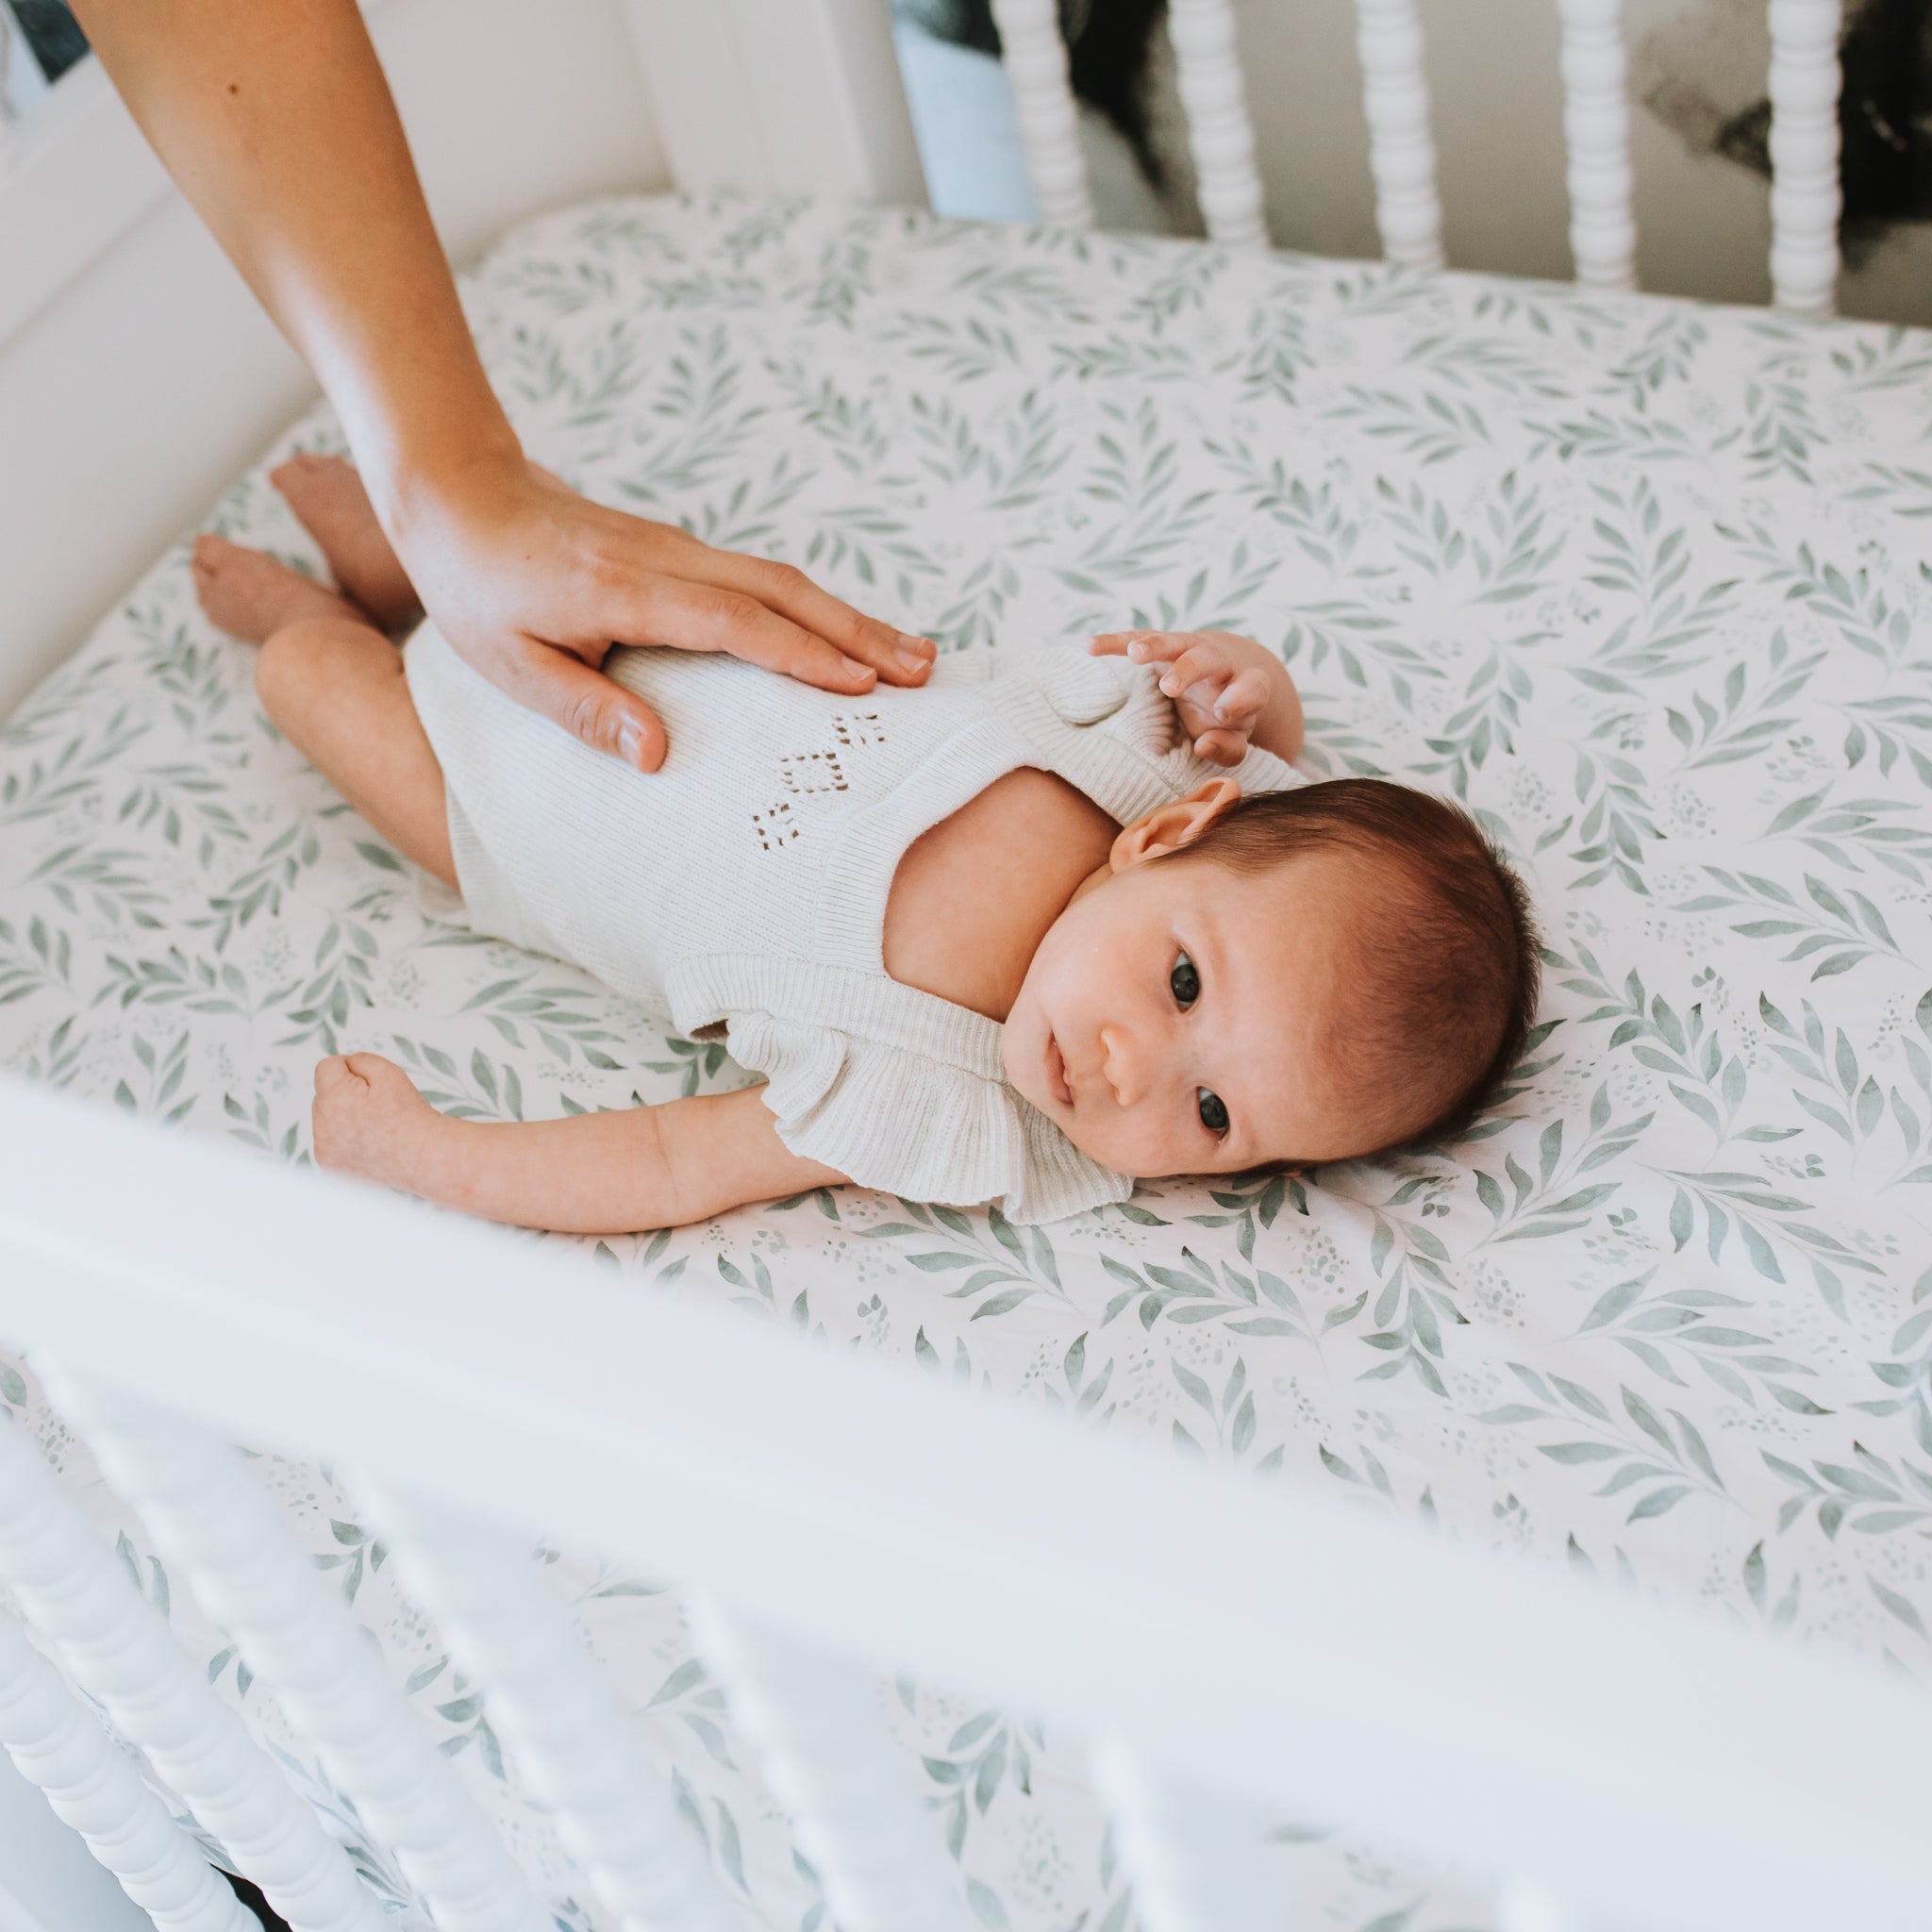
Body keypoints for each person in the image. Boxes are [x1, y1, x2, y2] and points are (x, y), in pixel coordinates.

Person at [192, 462, 1541, 1229]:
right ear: (1174, 837)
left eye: (1213, 1116)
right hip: (643, 634)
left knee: (316, 680)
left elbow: (671, 1162)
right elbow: (1263, 756)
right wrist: (1248, 679)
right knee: (481, 561)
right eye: (1184, 984)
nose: (1134, 1069)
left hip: (500, 823)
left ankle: (304, 618)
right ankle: (390, 557)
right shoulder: (1136, 763)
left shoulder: (933, 1097)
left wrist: (431, 1163)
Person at [69, 0, 937, 775]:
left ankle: (314, 615)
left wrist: (452, 478)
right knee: (581, 579)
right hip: (718, 688)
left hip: (584, 815)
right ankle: (407, 544)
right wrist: (452, 478)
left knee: (390, 724)